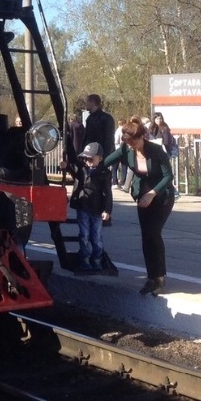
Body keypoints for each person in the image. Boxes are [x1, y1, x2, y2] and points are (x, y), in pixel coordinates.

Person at [101, 116, 175, 295]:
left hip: (161, 195)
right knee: (145, 236)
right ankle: (151, 277)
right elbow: (105, 162)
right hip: (142, 196)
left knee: (153, 234)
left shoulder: (156, 151)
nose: (131, 146)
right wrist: (90, 165)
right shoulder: (126, 149)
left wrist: (152, 194)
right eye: (128, 143)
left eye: (133, 142)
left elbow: (168, 177)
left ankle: (160, 277)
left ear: (141, 137)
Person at [67, 142, 114, 272]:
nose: (88, 161)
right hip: (83, 206)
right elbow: (72, 168)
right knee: (84, 234)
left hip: (97, 208)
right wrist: (65, 166)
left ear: (100, 158)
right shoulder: (81, 169)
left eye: (91, 158)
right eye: (86, 158)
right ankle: (84, 259)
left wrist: (107, 210)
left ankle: (97, 259)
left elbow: (108, 193)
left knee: (97, 236)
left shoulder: (104, 173)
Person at [83, 94, 118, 187]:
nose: (86, 104)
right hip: (90, 155)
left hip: (100, 156)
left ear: (93, 102)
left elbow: (109, 139)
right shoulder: (90, 118)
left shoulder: (106, 118)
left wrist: (104, 157)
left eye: (87, 102)